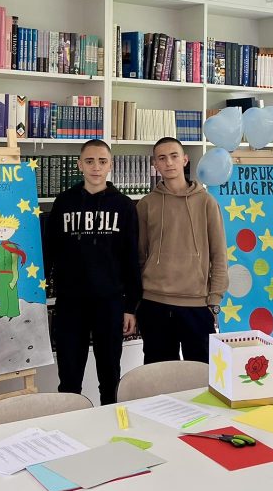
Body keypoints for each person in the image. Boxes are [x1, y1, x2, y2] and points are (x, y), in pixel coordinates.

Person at [46, 139, 140, 404]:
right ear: (79, 165)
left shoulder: (124, 205)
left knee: (110, 377)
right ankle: (69, 425)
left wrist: (131, 306)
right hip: (70, 303)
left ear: (110, 165)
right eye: (89, 161)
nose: (96, 167)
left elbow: (131, 258)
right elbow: (49, 251)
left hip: (110, 303)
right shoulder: (64, 202)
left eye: (102, 161)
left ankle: (110, 424)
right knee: (69, 378)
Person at [137, 137, 229, 363]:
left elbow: (219, 255)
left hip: (197, 305)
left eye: (174, 156)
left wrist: (214, 299)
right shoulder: (146, 204)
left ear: (185, 160)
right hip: (154, 304)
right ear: (155, 165)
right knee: (160, 374)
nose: (169, 162)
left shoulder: (207, 202)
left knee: (201, 374)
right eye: (162, 158)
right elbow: (138, 256)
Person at [0, 211, 25, 319]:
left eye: (4, 230)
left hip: (10, 275)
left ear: (12, 231)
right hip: (0, 276)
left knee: (11, 295)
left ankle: (12, 313)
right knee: (1, 294)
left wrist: (14, 279)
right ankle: (3, 311)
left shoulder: (13, 248)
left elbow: (14, 266)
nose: (1, 233)